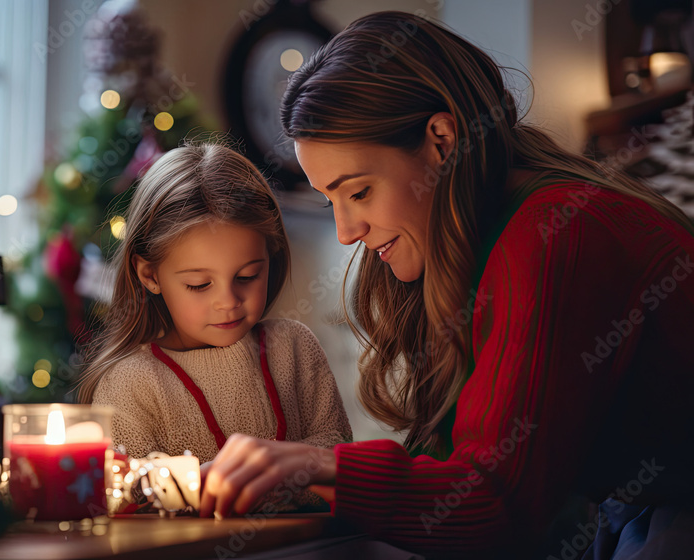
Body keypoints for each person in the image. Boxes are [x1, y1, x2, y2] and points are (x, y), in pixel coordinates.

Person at [199, 11, 694, 558]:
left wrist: (317, 465)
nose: (345, 233)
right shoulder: (482, 238)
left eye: (359, 192)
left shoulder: (556, 231)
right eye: (330, 201)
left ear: (440, 140)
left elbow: (494, 504)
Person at [76, 143, 352, 510]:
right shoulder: (131, 382)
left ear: (272, 257)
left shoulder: (294, 346)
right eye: (199, 285)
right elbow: (121, 493)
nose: (228, 301)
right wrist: (192, 485)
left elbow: (340, 459)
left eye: (248, 276)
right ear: (149, 275)